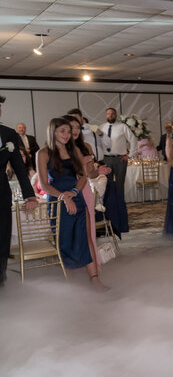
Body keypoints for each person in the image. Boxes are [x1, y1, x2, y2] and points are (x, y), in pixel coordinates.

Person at [36, 118, 107, 290]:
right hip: (57, 201)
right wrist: (63, 197)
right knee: (64, 241)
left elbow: (83, 177)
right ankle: (73, 284)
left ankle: (94, 279)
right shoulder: (43, 153)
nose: (67, 135)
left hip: (76, 197)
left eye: (69, 131)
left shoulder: (74, 150)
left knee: (86, 238)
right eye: (63, 131)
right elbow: (44, 184)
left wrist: (74, 193)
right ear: (53, 132)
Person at [1, 96, 38, 285]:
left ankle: (1, 278)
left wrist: (30, 195)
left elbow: (20, 168)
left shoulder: (8, 134)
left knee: (2, 236)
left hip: (1, 193)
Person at [64, 115, 101, 268]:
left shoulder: (86, 147)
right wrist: (79, 163)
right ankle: (75, 265)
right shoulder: (62, 149)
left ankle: (92, 265)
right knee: (72, 232)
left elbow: (91, 174)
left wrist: (98, 169)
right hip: (69, 190)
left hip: (85, 190)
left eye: (78, 127)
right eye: (71, 128)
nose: (75, 131)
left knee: (88, 230)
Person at [96, 108, 137, 189]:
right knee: (106, 184)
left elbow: (133, 140)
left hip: (120, 159)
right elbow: (97, 143)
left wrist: (130, 155)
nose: (110, 115)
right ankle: (109, 202)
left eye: (112, 114)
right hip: (106, 159)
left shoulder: (122, 127)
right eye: (108, 114)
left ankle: (120, 201)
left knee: (120, 184)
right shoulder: (101, 127)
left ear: (116, 115)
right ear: (106, 115)